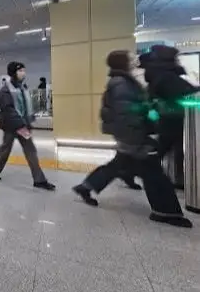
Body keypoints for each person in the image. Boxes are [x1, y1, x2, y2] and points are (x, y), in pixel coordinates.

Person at [73, 50, 191, 228]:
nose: (135, 60)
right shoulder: (121, 83)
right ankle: (165, 211)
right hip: (134, 135)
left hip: (132, 134)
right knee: (152, 171)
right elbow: (125, 113)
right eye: (131, 58)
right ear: (123, 62)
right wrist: (140, 135)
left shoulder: (123, 81)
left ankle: (87, 186)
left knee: (120, 164)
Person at [0, 62, 55, 191]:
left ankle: (39, 180)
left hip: (21, 124)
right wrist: (22, 124)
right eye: (20, 70)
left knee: (29, 150)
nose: (23, 73)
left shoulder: (22, 87)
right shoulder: (5, 90)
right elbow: (8, 109)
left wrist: (28, 119)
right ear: (14, 73)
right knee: (6, 148)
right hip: (12, 125)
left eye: (24, 70)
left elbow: (25, 105)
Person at [144, 45, 199, 189]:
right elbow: (179, 92)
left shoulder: (160, 73)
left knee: (171, 147)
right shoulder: (166, 75)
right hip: (173, 116)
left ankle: (176, 178)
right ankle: (144, 171)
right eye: (175, 58)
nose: (178, 61)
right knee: (167, 147)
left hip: (169, 116)